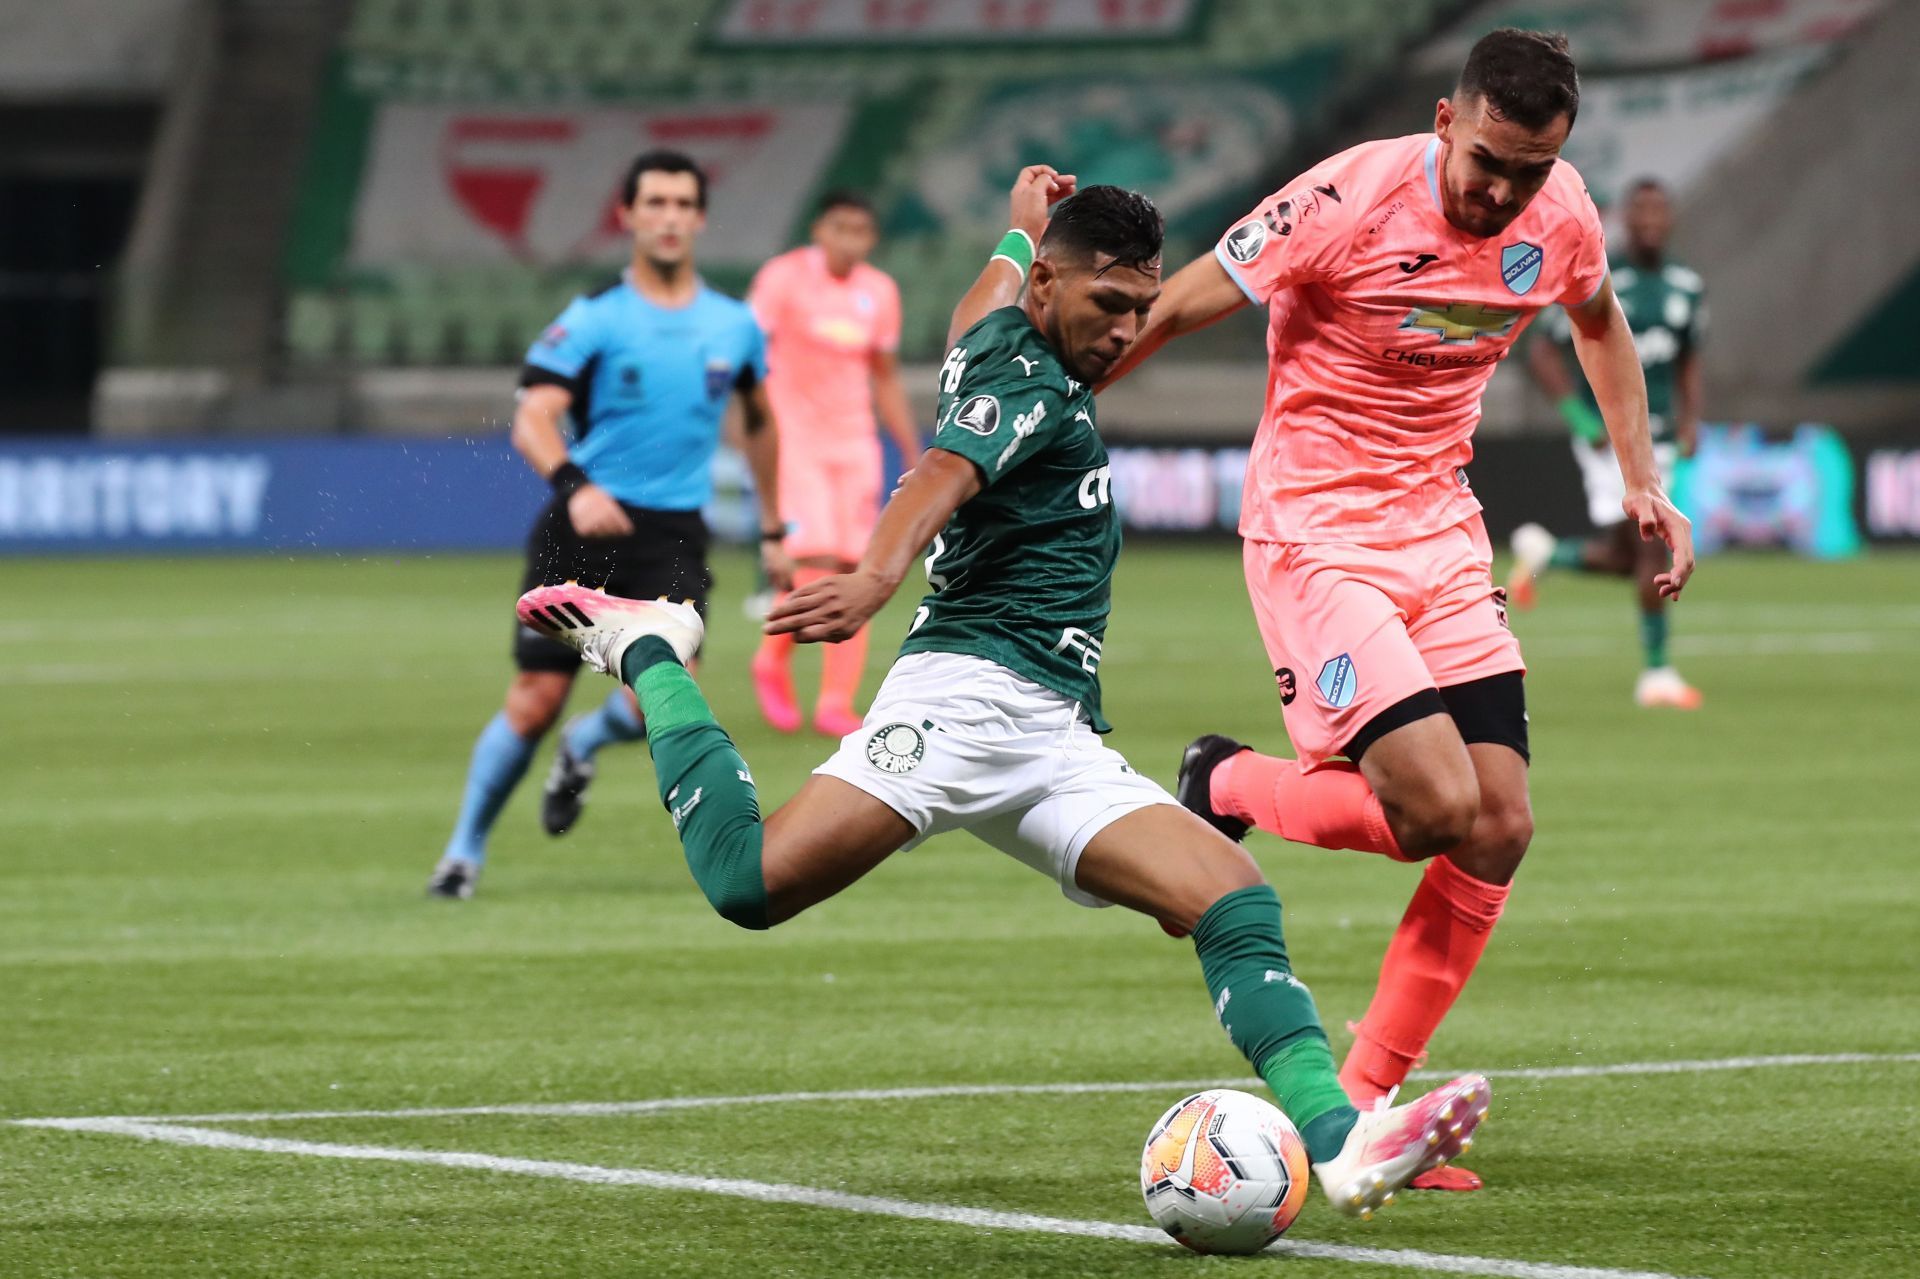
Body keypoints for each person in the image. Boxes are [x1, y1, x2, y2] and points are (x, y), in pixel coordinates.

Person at [516, 171, 1490, 1219]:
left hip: (1051, 730)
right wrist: (878, 577)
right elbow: (940, 472)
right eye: (1106, 303)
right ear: (1052, 292)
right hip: (963, 706)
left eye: (1140, 305)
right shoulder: (1027, 383)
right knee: (749, 882)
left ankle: (1339, 1146)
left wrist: (1020, 234)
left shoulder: (995, 336)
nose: (1126, 330)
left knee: (1232, 895)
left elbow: (968, 308)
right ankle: (653, 648)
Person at [1099, 29, 1694, 1190]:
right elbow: (1176, 308)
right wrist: (1041, 408)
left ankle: (1368, 1109)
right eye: (1486, 162)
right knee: (1432, 807)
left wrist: (1641, 477)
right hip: (1317, 536)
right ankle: (1223, 782)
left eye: (1529, 170)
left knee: (1500, 824)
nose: (1502, 191)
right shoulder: (1348, 197)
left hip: (1438, 531)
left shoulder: (1558, 213)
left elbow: (1601, 324)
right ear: (1442, 120)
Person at [428, 148, 792, 900]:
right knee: (532, 702)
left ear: (700, 218)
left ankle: (586, 742)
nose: (668, 217)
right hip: (579, 527)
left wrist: (774, 529)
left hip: (672, 536)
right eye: (653, 203)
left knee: (666, 696)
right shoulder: (595, 317)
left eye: (682, 204)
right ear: (627, 215)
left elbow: (760, 424)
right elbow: (533, 416)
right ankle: (462, 854)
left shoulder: (733, 325)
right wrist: (576, 483)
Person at [1511, 177, 1707, 708]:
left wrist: (1691, 421)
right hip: (1614, 441)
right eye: (1639, 210)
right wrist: (1580, 418)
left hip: (1663, 437)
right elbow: (1543, 352)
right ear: (1625, 217)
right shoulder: (1599, 275)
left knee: (1626, 557)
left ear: (1669, 219)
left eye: (1658, 210)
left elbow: (1689, 360)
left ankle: (1549, 554)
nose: (1650, 220)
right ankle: (1658, 673)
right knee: (1649, 550)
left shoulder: (1687, 286)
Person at [747, 192, 922, 738]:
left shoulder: (879, 292)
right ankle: (773, 660)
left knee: (855, 567)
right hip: (795, 438)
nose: (849, 239)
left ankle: (833, 702)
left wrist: (912, 447)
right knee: (814, 556)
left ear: (871, 239)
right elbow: (746, 352)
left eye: (861, 230)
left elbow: (885, 375)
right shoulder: (783, 279)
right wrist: (746, 421)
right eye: (839, 227)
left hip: (854, 442)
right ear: (819, 229)